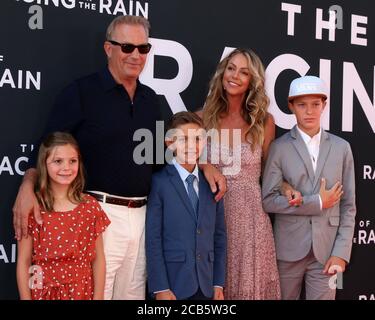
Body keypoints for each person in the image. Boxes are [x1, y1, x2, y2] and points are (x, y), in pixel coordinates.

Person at [13, 15, 226, 300]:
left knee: (133, 296)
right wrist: (27, 186)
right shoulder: (81, 92)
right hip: (98, 215)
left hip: (143, 216)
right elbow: (47, 146)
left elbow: (161, 154)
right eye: (127, 47)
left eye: (143, 48)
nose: (136, 55)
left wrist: (203, 165)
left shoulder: (151, 99)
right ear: (108, 48)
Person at [262, 75, 356, 300]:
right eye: (302, 105)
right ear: (291, 107)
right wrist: (317, 203)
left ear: (324, 105)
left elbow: (349, 206)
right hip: (287, 251)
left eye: (315, 104)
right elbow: (268, 200)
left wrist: (341, 254)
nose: (309, 111)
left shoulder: (342, 148)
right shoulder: (279, 147)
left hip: (328, 252)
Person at [201, 48, 281, 299]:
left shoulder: (264, 122)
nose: (235, 75)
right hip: (211, 214)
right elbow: (173, 153)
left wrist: (287, 187)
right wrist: (205, 164)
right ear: (223, 72)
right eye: (231, 68)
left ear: (252, 81)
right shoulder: (201, 119)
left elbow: (271, 174)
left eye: (244, 72)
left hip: (251, 222)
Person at [16, 132, 110, 300]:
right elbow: (23, 261)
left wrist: (98, 297)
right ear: (44, 164)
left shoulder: (90, 206)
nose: (66, 167)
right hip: (43, 292)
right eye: (58, 161)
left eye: (72, 161)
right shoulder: (33, 207)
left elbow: (99, 259)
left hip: (82, 292)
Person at [146, 111, 226, 300]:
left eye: (198, 139)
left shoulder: (213, 183)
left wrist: (218, 283)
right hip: (173, 285)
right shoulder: (159, 183)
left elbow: (219, 236)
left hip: (207, 285)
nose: (192, 146)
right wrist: (160, 288)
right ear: (170, 143)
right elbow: (153, 239)